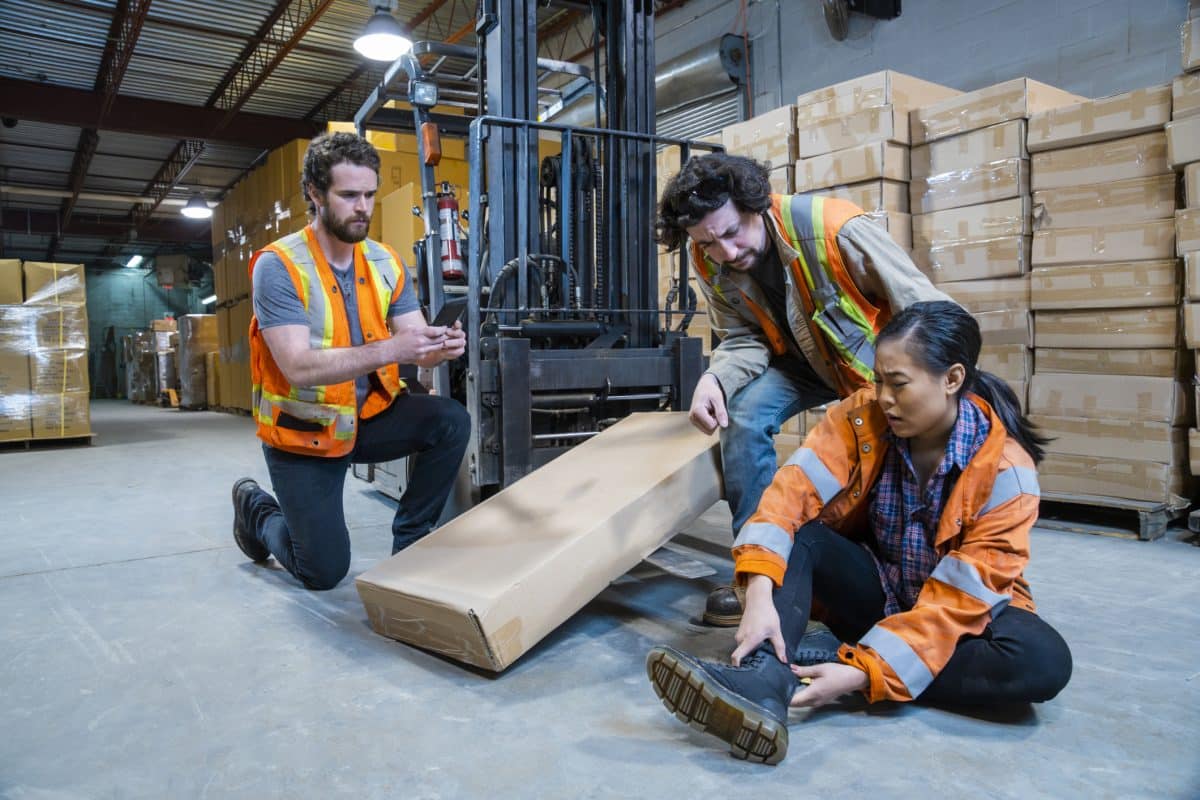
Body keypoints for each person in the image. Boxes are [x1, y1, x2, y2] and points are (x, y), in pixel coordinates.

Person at [645, 301, 1072, 765]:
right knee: (802, 534)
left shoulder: (1008, 473)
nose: (884, 397)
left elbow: (957, 607)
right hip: (877, 591)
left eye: (899, 384)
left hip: (959, 620)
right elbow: (788, 498)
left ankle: (843, 659)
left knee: (1042, 662)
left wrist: (865, 673)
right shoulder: (860, 418)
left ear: (951, 379)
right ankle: (764, 681)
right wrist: (760, 592)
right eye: (879, 380)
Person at [657, 152, 953, 626]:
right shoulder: (707, 258)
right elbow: (742, 337)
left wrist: (930, 391)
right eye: (710, 243)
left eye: (733, 233)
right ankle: (757, 573)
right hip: (798, 363)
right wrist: (714, 378)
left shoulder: (837, 230)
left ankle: (912, 571)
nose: (727, 253)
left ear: (756, 204)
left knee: (896, 456)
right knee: (746, 416)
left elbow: (925, 311)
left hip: (870, 367)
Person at [230, 132, 470, 591]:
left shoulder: (385, 261)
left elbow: (412, 338)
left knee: (451, 420)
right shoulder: (278, 266)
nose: (363, 206)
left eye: (369, 194)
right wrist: (394, 351)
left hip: (369, 418)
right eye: (348, 195)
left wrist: (438, 347)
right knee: (323, 571)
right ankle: (256, 510)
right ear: (315, 195)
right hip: (306, 433)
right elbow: (297, 366)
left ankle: (411, 544)